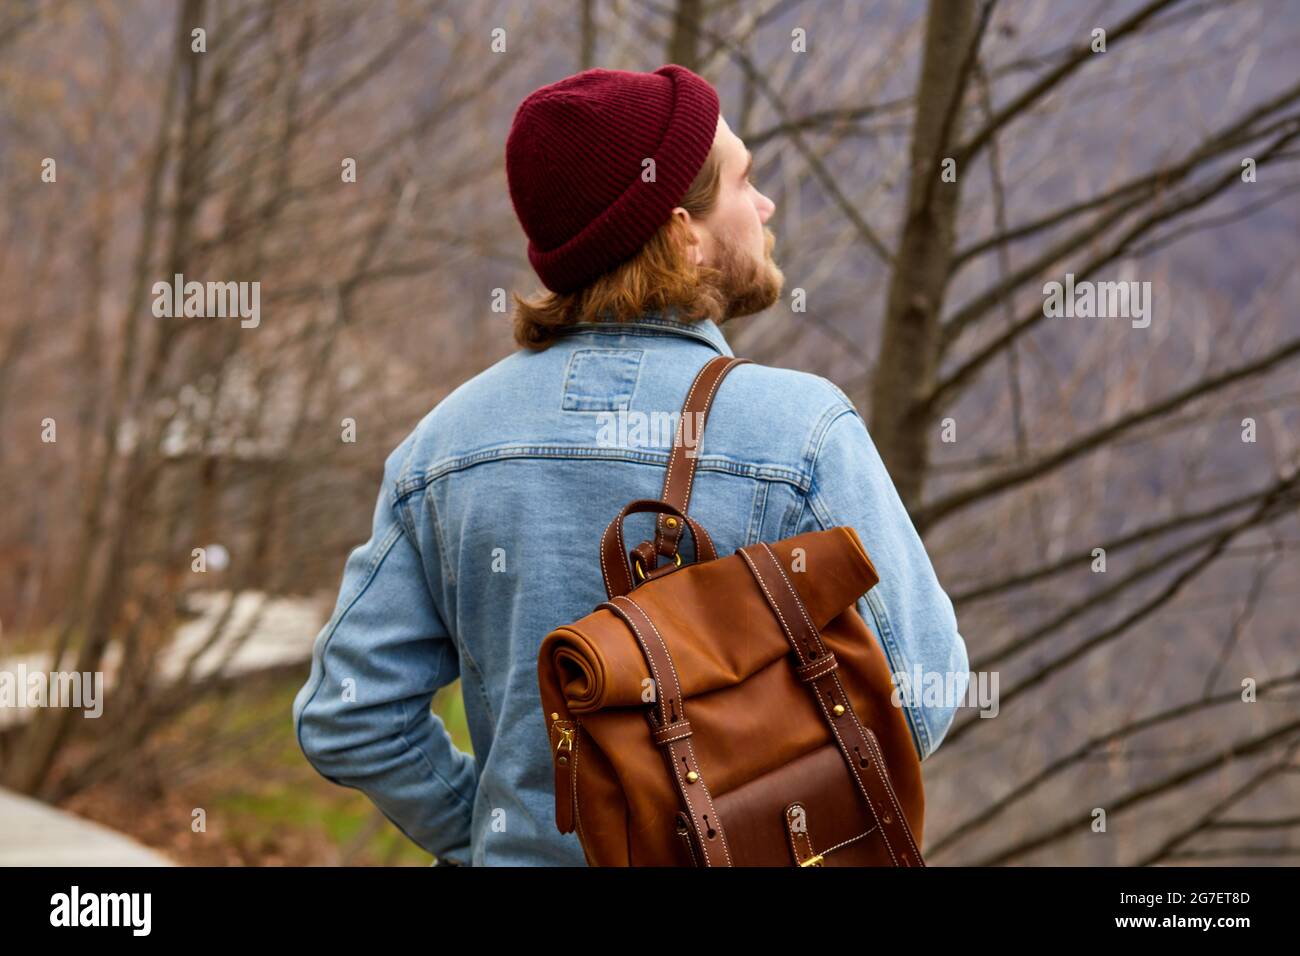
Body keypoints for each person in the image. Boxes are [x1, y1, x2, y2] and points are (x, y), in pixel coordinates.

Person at [293, 64, 968, 866]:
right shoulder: (800, 433)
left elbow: (350, 716)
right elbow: (918, 695)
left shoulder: (442, 447)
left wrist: (494, 831)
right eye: (746, 183)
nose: (766, 206)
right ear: (683, 232)